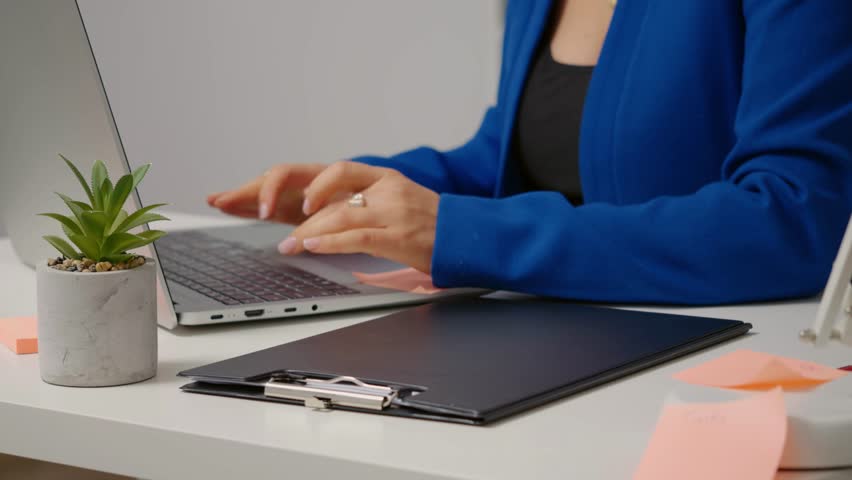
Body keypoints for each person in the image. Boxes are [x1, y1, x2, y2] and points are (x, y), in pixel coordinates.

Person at [208, 0, 852, 305]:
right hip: (574, 337)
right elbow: (516, 161)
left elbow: (794, 219)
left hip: (713, 375)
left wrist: (459, 232)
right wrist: (363, 195)